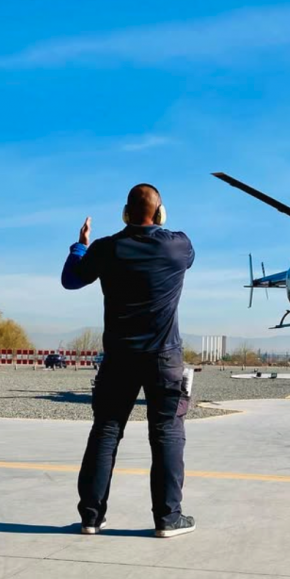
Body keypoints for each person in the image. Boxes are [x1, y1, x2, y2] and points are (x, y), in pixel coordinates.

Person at [61, 183, 197, 539]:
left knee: (105, 432)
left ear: (124, 213)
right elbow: (170, 239)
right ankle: (168, 518)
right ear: (161, 213)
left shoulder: (106, 249)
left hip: (118, 357)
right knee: (166, 433)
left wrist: (81, 245)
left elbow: (70, 280)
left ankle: (91, 517)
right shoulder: (178, 246)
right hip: (163, 357)